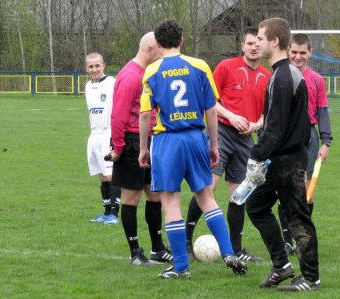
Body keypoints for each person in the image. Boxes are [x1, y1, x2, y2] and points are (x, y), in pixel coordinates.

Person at [138, 19, 247, 279]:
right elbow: (211, 108)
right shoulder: (199, 66)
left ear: (157, 44)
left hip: (167, 140)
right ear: (182, 41)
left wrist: (143, 148)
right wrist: (213, 143)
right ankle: (229, 251)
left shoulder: (152, 71)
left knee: (171, 202)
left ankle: (180, 267)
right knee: (206, 196)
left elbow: (145, 114)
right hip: (196, 137)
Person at [245, 17, 320, 291]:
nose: (258, 43)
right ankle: (281, 265)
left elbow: (276, 128)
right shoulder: (279, 73)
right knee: (255, 206)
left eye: (261, 39)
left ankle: (311, 278)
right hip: (279, 159)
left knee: (297, 218)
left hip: (289, 159)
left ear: (275, 41)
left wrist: (254, 156)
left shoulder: (284, 76)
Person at [184, 27, 270, 262]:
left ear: (263, 47)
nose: (254, 47)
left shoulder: (267, 76)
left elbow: (265, 114)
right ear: (242, 46)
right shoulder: (225, 67)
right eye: (249, 43)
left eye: (257, 44)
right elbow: (209, 101)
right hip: (221, 132)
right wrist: (231, 116)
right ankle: (186, 242)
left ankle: (236, 249)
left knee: (239, 194)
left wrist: (256, 125)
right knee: (207, 187)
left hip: (245, 139)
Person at [110, 32, 173, 266]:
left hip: (150, 141)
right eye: (159, 52)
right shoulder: (129, 75)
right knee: (132, 197)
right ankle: (135, 252)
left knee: (154, 195)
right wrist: (118, 147)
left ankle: (158, 248)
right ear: (149, 50)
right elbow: (118, 116)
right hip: (130, 142)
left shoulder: (148, 73)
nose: (162, 56)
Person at [279, 33, 333, 255]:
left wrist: (326, 141)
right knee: (284, 187)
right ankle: (285, 240)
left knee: (306, 190)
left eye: (302, 52)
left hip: (308, 137)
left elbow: (322, 112)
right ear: (288, 51)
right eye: (294, 52)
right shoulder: (280, 76)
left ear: (310, 52)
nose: (298, 57)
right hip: (284, 137)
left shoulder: (317, 80)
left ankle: (303, 238)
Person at [84, 52, 121, 225]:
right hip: (94, 134)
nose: (94, 69)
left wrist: (116, 134)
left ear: (103, 65)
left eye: (97, 65)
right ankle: (106, 212)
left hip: (109, 133)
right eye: (91, 66)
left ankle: (114, 213)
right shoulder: (87, 86)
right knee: (101, 173)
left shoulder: (113, 83)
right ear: (86, 68)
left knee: (111, 173)